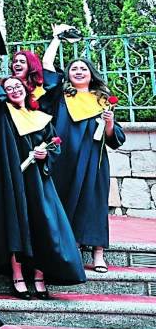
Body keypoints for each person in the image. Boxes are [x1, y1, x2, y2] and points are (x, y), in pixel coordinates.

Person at [0, 61, 86, 297]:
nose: (14, 90)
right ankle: (17, 275)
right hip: (12, 179)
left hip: (38, 180)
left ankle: (39, 276)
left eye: (17, 86)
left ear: (25, 89)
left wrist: (45, 154)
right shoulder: (2, 113)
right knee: (15, 224)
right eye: (9, 88)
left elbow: (54, 146)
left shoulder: (41, 117)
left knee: (43, 224)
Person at [41, 26, 124, 274]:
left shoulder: (102, 100)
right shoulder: (61, 95)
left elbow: (113, 138)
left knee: (94, 201)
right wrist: (56, 39)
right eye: (74, 68)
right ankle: (73, 248)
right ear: (68, 74)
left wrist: (109, 122)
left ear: (91, 75)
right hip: (64, 159)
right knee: (66, 200)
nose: (78, 71)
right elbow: (46, 65)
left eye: (83, 68)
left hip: (92, 161)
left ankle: (98, 253)